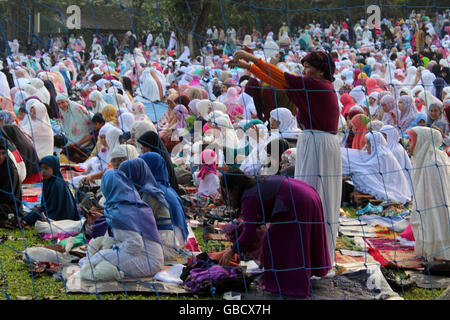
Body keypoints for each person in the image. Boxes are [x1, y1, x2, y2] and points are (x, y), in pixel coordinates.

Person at [234, 49, 342, 265]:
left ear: (321, 72)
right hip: (315, 143)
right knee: (311, 195)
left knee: (312, 196)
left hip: (318, 145)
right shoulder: (318, 86)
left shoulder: (317, 85)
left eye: (308, 67)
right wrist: (250, 68)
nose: (304, 71)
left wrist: (252, 61)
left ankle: (314, 253)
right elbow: (279, 82)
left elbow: (282, 78)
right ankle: (311, 251)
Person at [218, 168, 331, 298]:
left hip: (296, 200)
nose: (227, 197)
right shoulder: (256, 184)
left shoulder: (248, 196)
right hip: (309, 194)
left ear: (235, 188)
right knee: (299, 239)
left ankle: (285, 284)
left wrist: (232, 250)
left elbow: (249, 233)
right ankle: (300, 274)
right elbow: (263, 212)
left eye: (227, 192)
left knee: (274, 242)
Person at [79, 169, 164, 281]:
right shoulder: (133, 203)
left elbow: (135, 245)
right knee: (101, 248)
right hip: (151, 257)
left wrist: (114, 248)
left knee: (100, 257)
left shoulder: (121, 211)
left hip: (147, 261)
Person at [119, 158, 183, 261]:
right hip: (155, 241)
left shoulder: (149, 194)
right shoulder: (142, 190)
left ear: (135, 174)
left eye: (126, 176)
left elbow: (138, 223)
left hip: (163, 246)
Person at [406, 126, 450, 262]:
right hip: (427, 209)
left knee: (433, 216)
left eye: (411, 141)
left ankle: (435, 247)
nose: (407, 145)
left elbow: (433, 202)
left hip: (435, 211)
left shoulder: (432, 164)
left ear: (422, 142)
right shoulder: (425, 158)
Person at [341, 131, 412, 204]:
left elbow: (373, 174)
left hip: (389, 188)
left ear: (374, 144)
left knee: (348, 185)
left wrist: (355, 174)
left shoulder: (382, 155)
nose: (366, 146)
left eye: (368, 143)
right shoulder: (375, 153)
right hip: (381, 185)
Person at [140, 152, 189, 249]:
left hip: (170, 243)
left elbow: (142, 221)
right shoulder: (165, 187)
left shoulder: (152, 190)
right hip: (180, 238)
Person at [21, 156, 80, 226]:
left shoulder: (57, 184)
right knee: (30, 213)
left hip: (62, 216)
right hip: (52, 211)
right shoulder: (48, 181)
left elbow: (51, 209)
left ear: (54, 168)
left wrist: (30, 217)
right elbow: (46, 205)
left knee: (31, 217)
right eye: (41, 169)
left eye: (46, 168)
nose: (43, 172)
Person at [137, 130, 181, 195]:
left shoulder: (157, 161)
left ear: (150, 146)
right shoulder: (155, 158)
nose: (141, 148)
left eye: (144, 145)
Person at [0, 139, 23, 227]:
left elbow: (7, 197)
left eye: (3, 153)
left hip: (8, 205)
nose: (1, 157)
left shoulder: (9, 170)